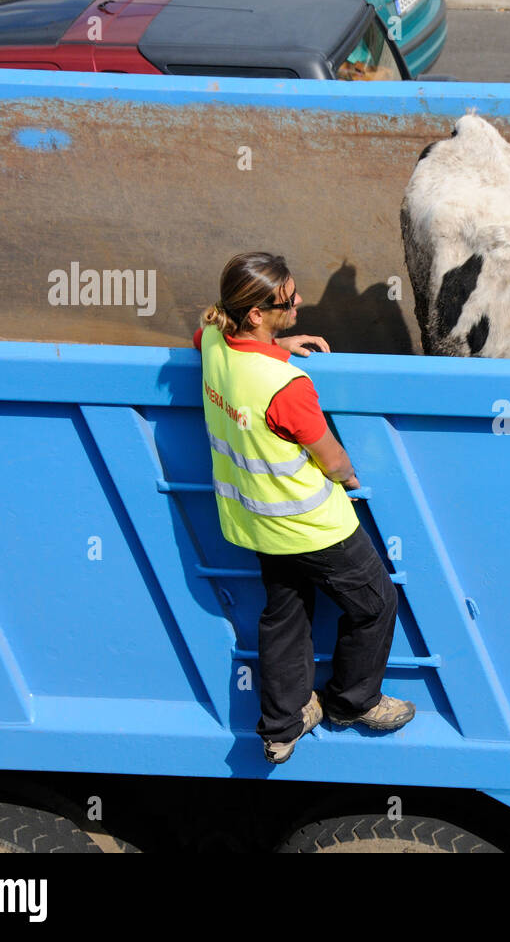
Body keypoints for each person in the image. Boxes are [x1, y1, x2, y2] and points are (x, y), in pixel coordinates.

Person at [195, 252, 415, 765]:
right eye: (288, 300)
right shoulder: (287, 388)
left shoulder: (212, 343)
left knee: (285, 615)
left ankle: (283, 724)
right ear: (256, 313)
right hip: (313, 528)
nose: (298, 303)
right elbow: (332, 457)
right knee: (376, 603)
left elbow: (216, 330)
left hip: (257, 524)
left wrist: (275, 345)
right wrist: (350, 475)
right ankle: (353, 702)